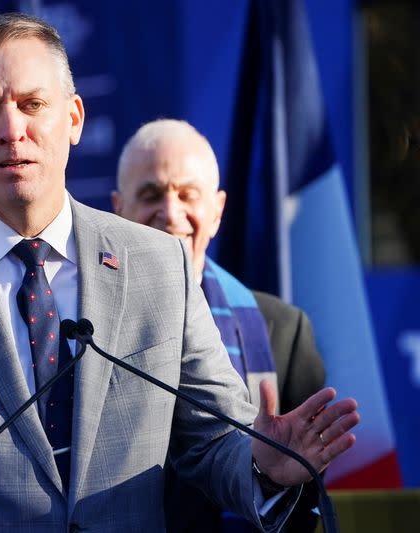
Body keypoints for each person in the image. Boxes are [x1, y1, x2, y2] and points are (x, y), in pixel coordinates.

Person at [0, 13, 359, 533]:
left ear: (74, 119)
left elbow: (216, 441)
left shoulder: (158, 265)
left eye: (32, 104)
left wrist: (263, 464)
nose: (10, 131)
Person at [112, 118, 326, 532]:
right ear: (119, 210)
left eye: (187, 194)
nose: (170, 213)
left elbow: (304, 502)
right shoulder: (83, 329)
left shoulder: (285, 331)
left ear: (217, 211)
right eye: (151, 194)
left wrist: (270, 470)